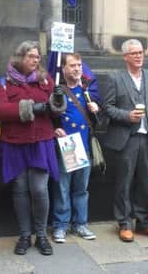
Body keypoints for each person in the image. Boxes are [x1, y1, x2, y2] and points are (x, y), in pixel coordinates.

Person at [0, 41, 67, 256]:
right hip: (15, 143)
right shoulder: (4, 83)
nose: (35, 60)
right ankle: (25, 235)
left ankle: (42, 235)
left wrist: (58, 103)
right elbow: (0, 109)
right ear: (20, 57)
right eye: (30, 56)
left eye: (37, 56)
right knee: (20, 190)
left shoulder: (45, 80)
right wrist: (30, 108)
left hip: (40, 142)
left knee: (39, 189)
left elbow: (56, 111)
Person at [103, 39, 148, 242]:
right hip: (126, 139)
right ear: (125, 57)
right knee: (124, 183)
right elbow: (107, 107)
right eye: (134, 53)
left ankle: (144, 222)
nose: (138, 56)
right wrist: (126, 115)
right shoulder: (115, 78)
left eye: (140, 52)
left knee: (145, 182)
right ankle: (124, 223)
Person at [51, 52, 100, 244]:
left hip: (84, 144)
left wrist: (95, 109)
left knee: (81, 188)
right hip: (67, 146)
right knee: (62, 188)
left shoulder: (86, 91)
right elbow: (49, 117)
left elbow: (97, 120)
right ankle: (60, 225)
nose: (77, 69)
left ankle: (80, 223)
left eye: (79, 65)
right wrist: (55, 129)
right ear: (63, 69)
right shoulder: (58, 91)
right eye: (72, 65)